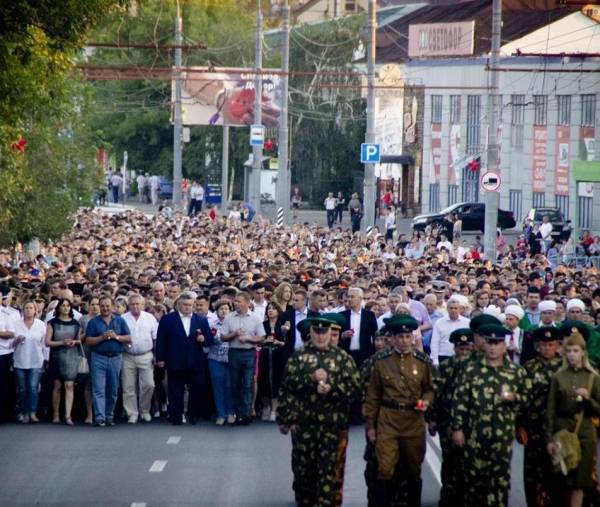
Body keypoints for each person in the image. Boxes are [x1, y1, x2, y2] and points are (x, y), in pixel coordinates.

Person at [277, 316, 360, 507]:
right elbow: (287, 388)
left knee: (330, 474)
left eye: (325, 333)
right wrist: (310, 379)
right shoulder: (298, 357)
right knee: (303, 474)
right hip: (304, 425)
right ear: (311, 333)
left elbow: (355, 389)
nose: (321, 337)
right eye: (317, 332)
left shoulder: (342, 358)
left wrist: (333, 387)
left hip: (332, 425)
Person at [451, 323, 529, 507]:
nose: (493, 347)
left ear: (504, 345)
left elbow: (528, 400)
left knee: (500, 482)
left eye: (497, 343)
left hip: (502, 437)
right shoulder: (471, 370)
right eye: (490, 342)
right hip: (475, 436)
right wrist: (457, 428)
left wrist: (514, 398)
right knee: (473, 482)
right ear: (484, 344)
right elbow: (460, 400)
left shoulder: (516, 372)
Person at [364, 315, 435, 506]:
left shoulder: (422, 361)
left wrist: (425, 403)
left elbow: (430, 388)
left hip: (413, 420)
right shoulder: (381, 362)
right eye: (400, 337)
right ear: (393, 339)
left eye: (407, 337)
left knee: (414, 469)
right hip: (388, 419)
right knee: (385, 468)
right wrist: (371, 425)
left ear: (412, 338)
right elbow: (373, 396)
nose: (404, 341)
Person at [546, 330, 600, 507]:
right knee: (563, 481)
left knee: (580, 483)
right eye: (568, 351)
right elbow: (551, 410)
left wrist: (588, 399)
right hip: (563, 432)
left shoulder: (593, 377)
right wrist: (549, 439)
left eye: (575, 351)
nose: (571, 355)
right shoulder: (558, 377)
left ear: (583, 352)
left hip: (585, 433)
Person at [517, 326, 562, 507]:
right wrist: (519, 426)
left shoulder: (564, 367)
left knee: (557, 472)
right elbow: (521, 398)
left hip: (558, 428)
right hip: (533, 428)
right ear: (537, 346)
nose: (547, 348)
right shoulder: (529, 367)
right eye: (543, 345)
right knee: (532, 473)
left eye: (550, 344)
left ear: (557, 346)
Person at [429, 328, 474, 507]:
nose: (464, 352)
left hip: (471, 424)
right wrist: (432, 419)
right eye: (460, 349)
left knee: (469, 463)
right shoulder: (445, 368)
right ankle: (448, 497)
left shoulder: (478, 367)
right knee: (449, 462)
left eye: (467, 349)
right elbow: (435, 394)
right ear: (454, 349)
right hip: (446, 421)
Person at [155, 293, 213, 425]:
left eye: (190, 305)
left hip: (196, 361)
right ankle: (176, 415)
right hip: (175, 360)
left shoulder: (201, 320)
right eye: (185, 305)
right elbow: (161, 340)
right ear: (179, 305)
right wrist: (160, 358)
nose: (188, 308)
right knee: (175, 390)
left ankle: (193, 414)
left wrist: (204, 339)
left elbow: (210, 339)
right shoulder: (168, 319)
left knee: (197, 388)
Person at [85, 296, 131, 427]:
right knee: (98, 389)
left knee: (112, 389)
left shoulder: (120, 321)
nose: (105, 308)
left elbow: (128, 338)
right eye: (103, 306)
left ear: (112, 306)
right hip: (98, 357)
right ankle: (100, 418)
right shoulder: (94, 322)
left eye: (107, 306)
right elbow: (88, 341)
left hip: (115, 358)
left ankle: (109, 415)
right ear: (99, 307)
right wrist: (102, 337)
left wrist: (115, 336)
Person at [221, 292, 265, 425]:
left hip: (249, 353)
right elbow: (223, 337)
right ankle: (237, 412)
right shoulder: (229, 317)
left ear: (247, 303)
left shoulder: (255, 318)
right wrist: (234, 334)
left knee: (247, 384)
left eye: (239, 301)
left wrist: (248, 338)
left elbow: (262, 337)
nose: (236, 304)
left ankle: (246, 414)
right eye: (235, 301)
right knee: (234, 384)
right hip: (234, 352)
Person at [121, 294, 158, 424]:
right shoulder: (122, 319)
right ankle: (132, 413)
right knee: (128, 386)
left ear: (142, 305)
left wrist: (156, 355)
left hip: (146, 355)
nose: (135, 306)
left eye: (138, 304)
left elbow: (155, 338)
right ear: (128, 305)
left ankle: (145, 410)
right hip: (127, 356)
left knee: (149, 385)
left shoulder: (150, 318)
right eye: (133, 304)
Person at [45, 298, 81, 425]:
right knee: (57, 386)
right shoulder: (52, 323)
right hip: (56, 356)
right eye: (63, 305)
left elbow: (80, 340)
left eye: (68, 306)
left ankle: (68, 415)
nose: (65, 308)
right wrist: (61, 342)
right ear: (59, 307)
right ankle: (55, 414)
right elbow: (47, 342)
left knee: (69, 385)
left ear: (71, 308)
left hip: (71, 356)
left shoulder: (76, 323)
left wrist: (74, 342)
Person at [12, 301, 46, 423]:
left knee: (32, 387)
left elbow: (44, 344)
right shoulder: (16, 324)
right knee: (22, 388)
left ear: (35, 310)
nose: (28, 310)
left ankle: (32, 412)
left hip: (36, 360)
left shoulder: (41, 325)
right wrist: (16, 340)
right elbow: (10, 344)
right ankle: (24, 411)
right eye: (26, 308)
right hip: (20, 360)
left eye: (31, 308)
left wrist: (45, 360)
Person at [207, 300, 235, 426]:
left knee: (230, 386)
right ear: (217, 311)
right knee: (218, 386)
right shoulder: (212, 324)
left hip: (231, 358)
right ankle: (220, 414)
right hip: (215, 358)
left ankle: (231, 412)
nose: (224, 311)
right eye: (221, 309)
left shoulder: (234, 323)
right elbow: (215, 339)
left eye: (226, 309)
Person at [258, 301, 285, 422]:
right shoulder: (263, 325)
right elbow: (258, 341)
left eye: (273, 309)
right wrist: (264, 341)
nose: (270, 310)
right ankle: (266, 406)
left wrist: (278, 342)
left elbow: (286, 342)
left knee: (276, 380)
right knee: (263, 380)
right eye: (268, 308)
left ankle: (275, 409)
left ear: (278, 311)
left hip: (278, 354)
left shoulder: (282, 325)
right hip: (265, 354)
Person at [275, 289, 318, 364]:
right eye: (293, 300)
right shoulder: (286, 315)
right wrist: (283, 330)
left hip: (309, 354)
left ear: (304, 301)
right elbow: (279, 334)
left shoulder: (315, 315)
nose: (293, 302)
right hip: (291, 354)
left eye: (296, 300)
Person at [429, 296, 470, 366]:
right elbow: (435, 342)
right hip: (443, 356)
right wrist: (435, 360)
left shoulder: (467, 322)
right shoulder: (439, 322)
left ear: (459, 309)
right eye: (451, 308)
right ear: (447, 309)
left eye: (455, 308)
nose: (453, 310)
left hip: (462, 357)